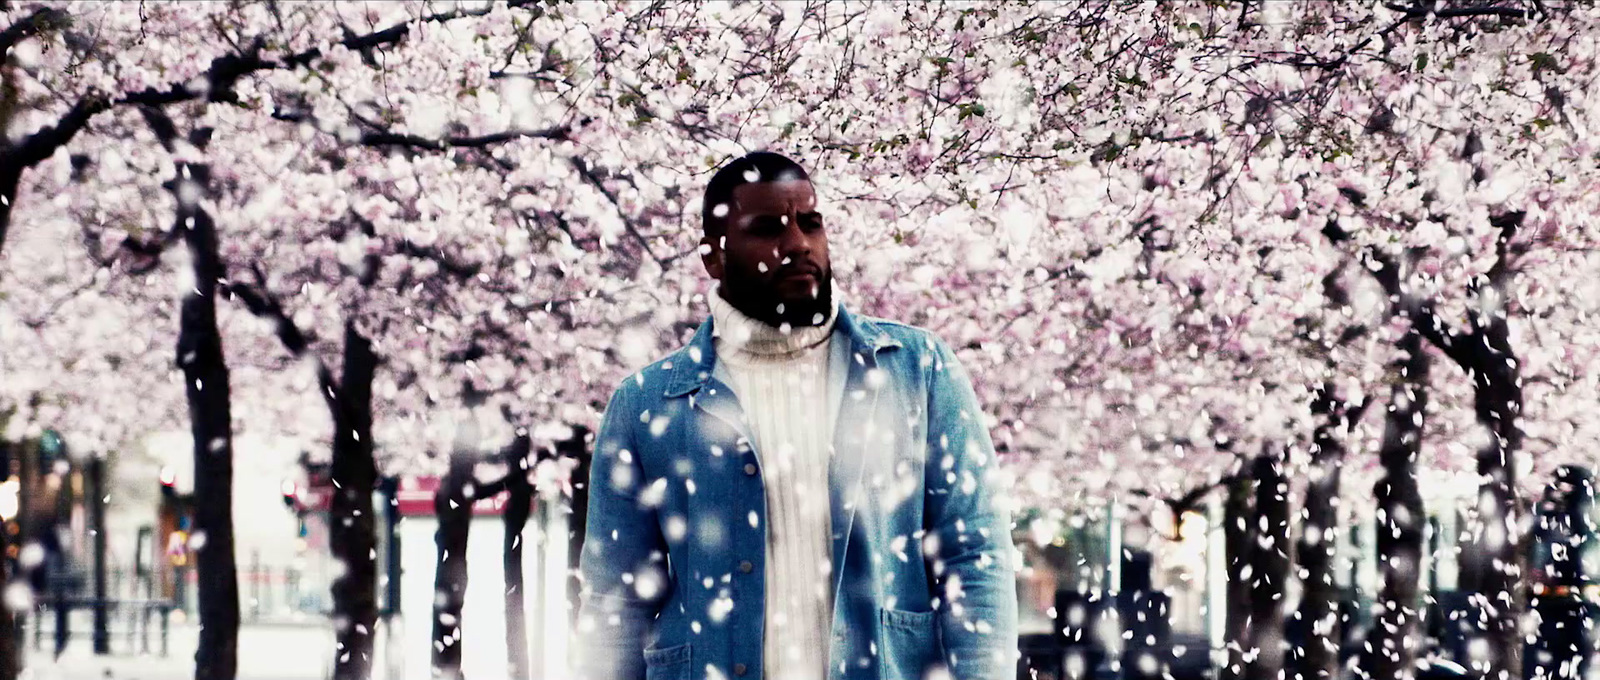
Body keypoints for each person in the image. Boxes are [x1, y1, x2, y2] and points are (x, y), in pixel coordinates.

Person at [574, 151, 1018, 680]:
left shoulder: (917, 370)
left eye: (811, 223)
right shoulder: (649, 403)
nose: (798, 245)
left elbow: (975, 555)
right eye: (767, 229)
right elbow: (615, 601)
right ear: (714, 257)